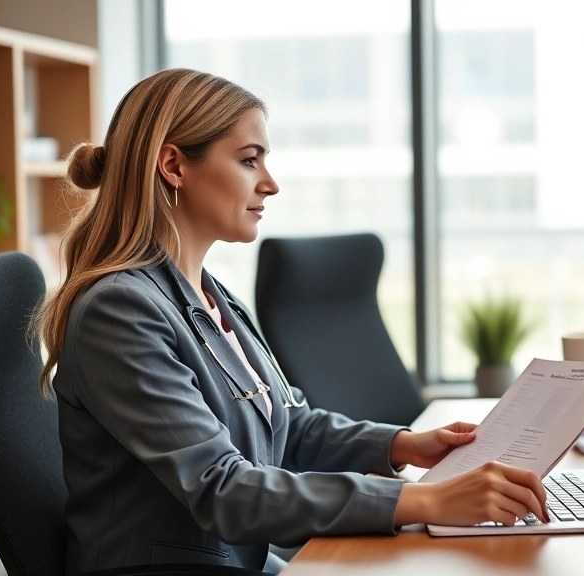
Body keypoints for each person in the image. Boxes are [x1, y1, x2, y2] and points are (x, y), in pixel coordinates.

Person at [30, 69, 548, 574]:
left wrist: (401, 445)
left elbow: (287, 426)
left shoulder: (213, 297)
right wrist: (422, 499)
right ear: (174, 165)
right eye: (249, 160)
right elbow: (221, 489)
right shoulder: (120, 310)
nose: (270, 184)